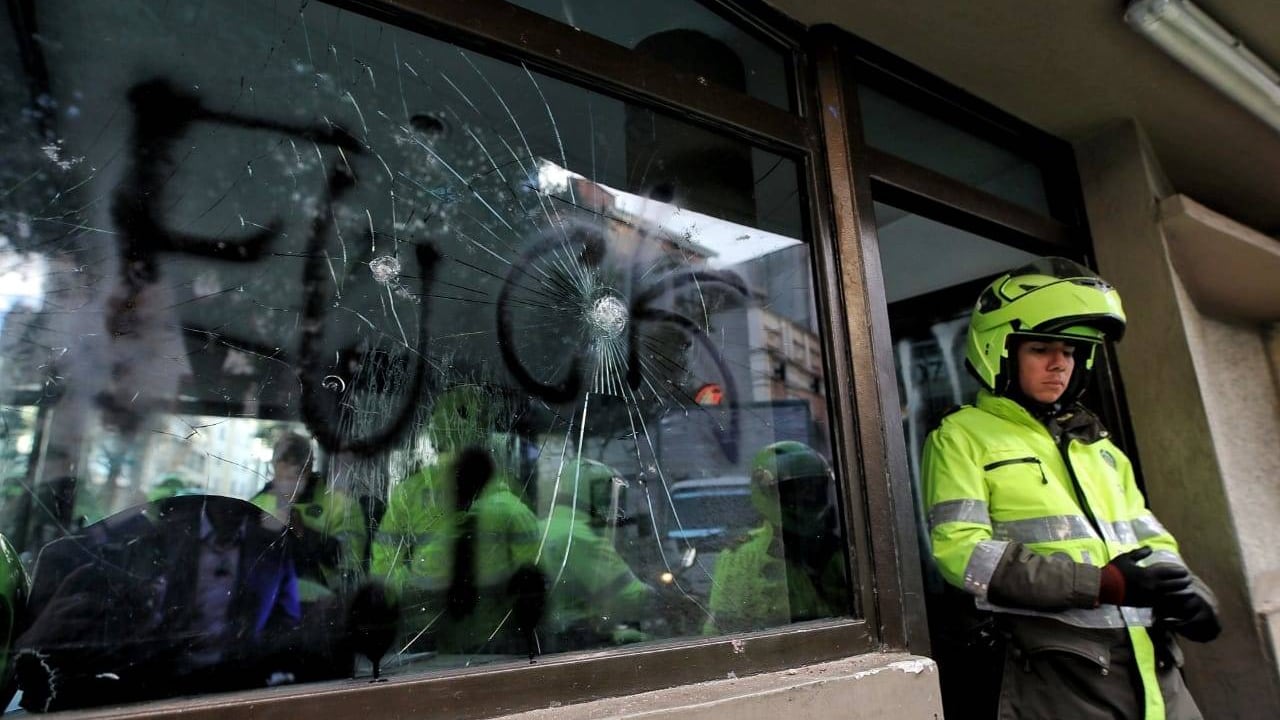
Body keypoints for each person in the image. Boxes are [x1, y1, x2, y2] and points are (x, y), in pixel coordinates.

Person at [923, 258, 1220, 720]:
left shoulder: (1096, 446)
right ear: (999, 350)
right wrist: (1101, 584)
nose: (1060, 363)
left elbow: (1150, 539)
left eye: (1071, 350)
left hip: (1155, 664)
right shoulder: (962, 436)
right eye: (1041, 349)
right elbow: (963, 554)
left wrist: (1190, 593)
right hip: (1062, 673)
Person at [704, 441, 845, 634]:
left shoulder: (839, 550)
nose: (807, 499)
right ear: (765, 492)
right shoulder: (743, 556)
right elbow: (723, 631)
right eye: (794, 490)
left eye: (814, 489)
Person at [538, 458, 654, 651]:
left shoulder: (543, 526)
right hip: (574, 641)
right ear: (591, 492)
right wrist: (666, 598)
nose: (610, 502)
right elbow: (631, 597)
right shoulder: (580, 536)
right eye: (607, 492)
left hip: (549, 638)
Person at [252, 433, 367, 602]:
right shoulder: (258, 504)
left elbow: (351, 560)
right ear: (274, 466)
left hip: (325, 602)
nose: (290, 474)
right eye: (284, 466)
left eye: (298, 468)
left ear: (309, 467)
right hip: (269, 600)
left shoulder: (341, 505)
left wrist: (304, 533)